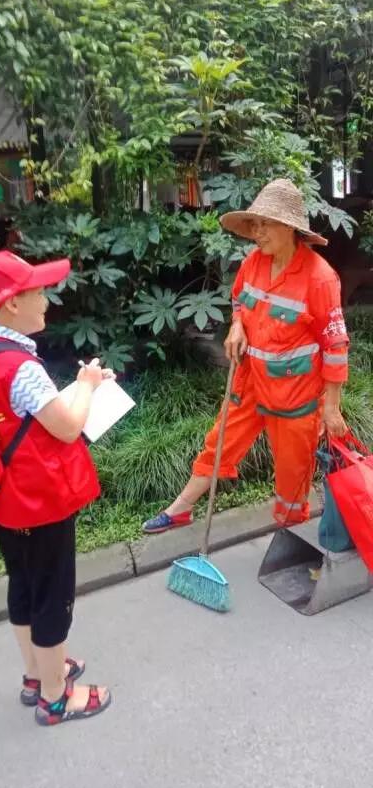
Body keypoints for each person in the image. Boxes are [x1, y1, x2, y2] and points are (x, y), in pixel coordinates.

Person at [142, 178, 349, 534]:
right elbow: (239, 300)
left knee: (292, 472)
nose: (257, 232)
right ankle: (181, 508)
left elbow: (335, 346)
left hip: (296, 397)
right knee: (220, 440)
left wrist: (330, 408)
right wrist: (237, 324)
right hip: (251, 381)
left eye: (264, 224)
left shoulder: (320, 279)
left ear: (288, 227)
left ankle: (290, 534)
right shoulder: (254, 262)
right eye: (254, 224)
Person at [0, 250, 112, 726]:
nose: (46, 300)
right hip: (42, 503)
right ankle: (56, 698)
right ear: (12, 303)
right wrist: (89, 383)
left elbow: (29, 422)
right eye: (37, 291)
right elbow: (68, 427)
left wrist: (76, 386)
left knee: (25, 587)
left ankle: (36, 674)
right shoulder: (22, 367)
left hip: (9, 501)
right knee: (54, 595)